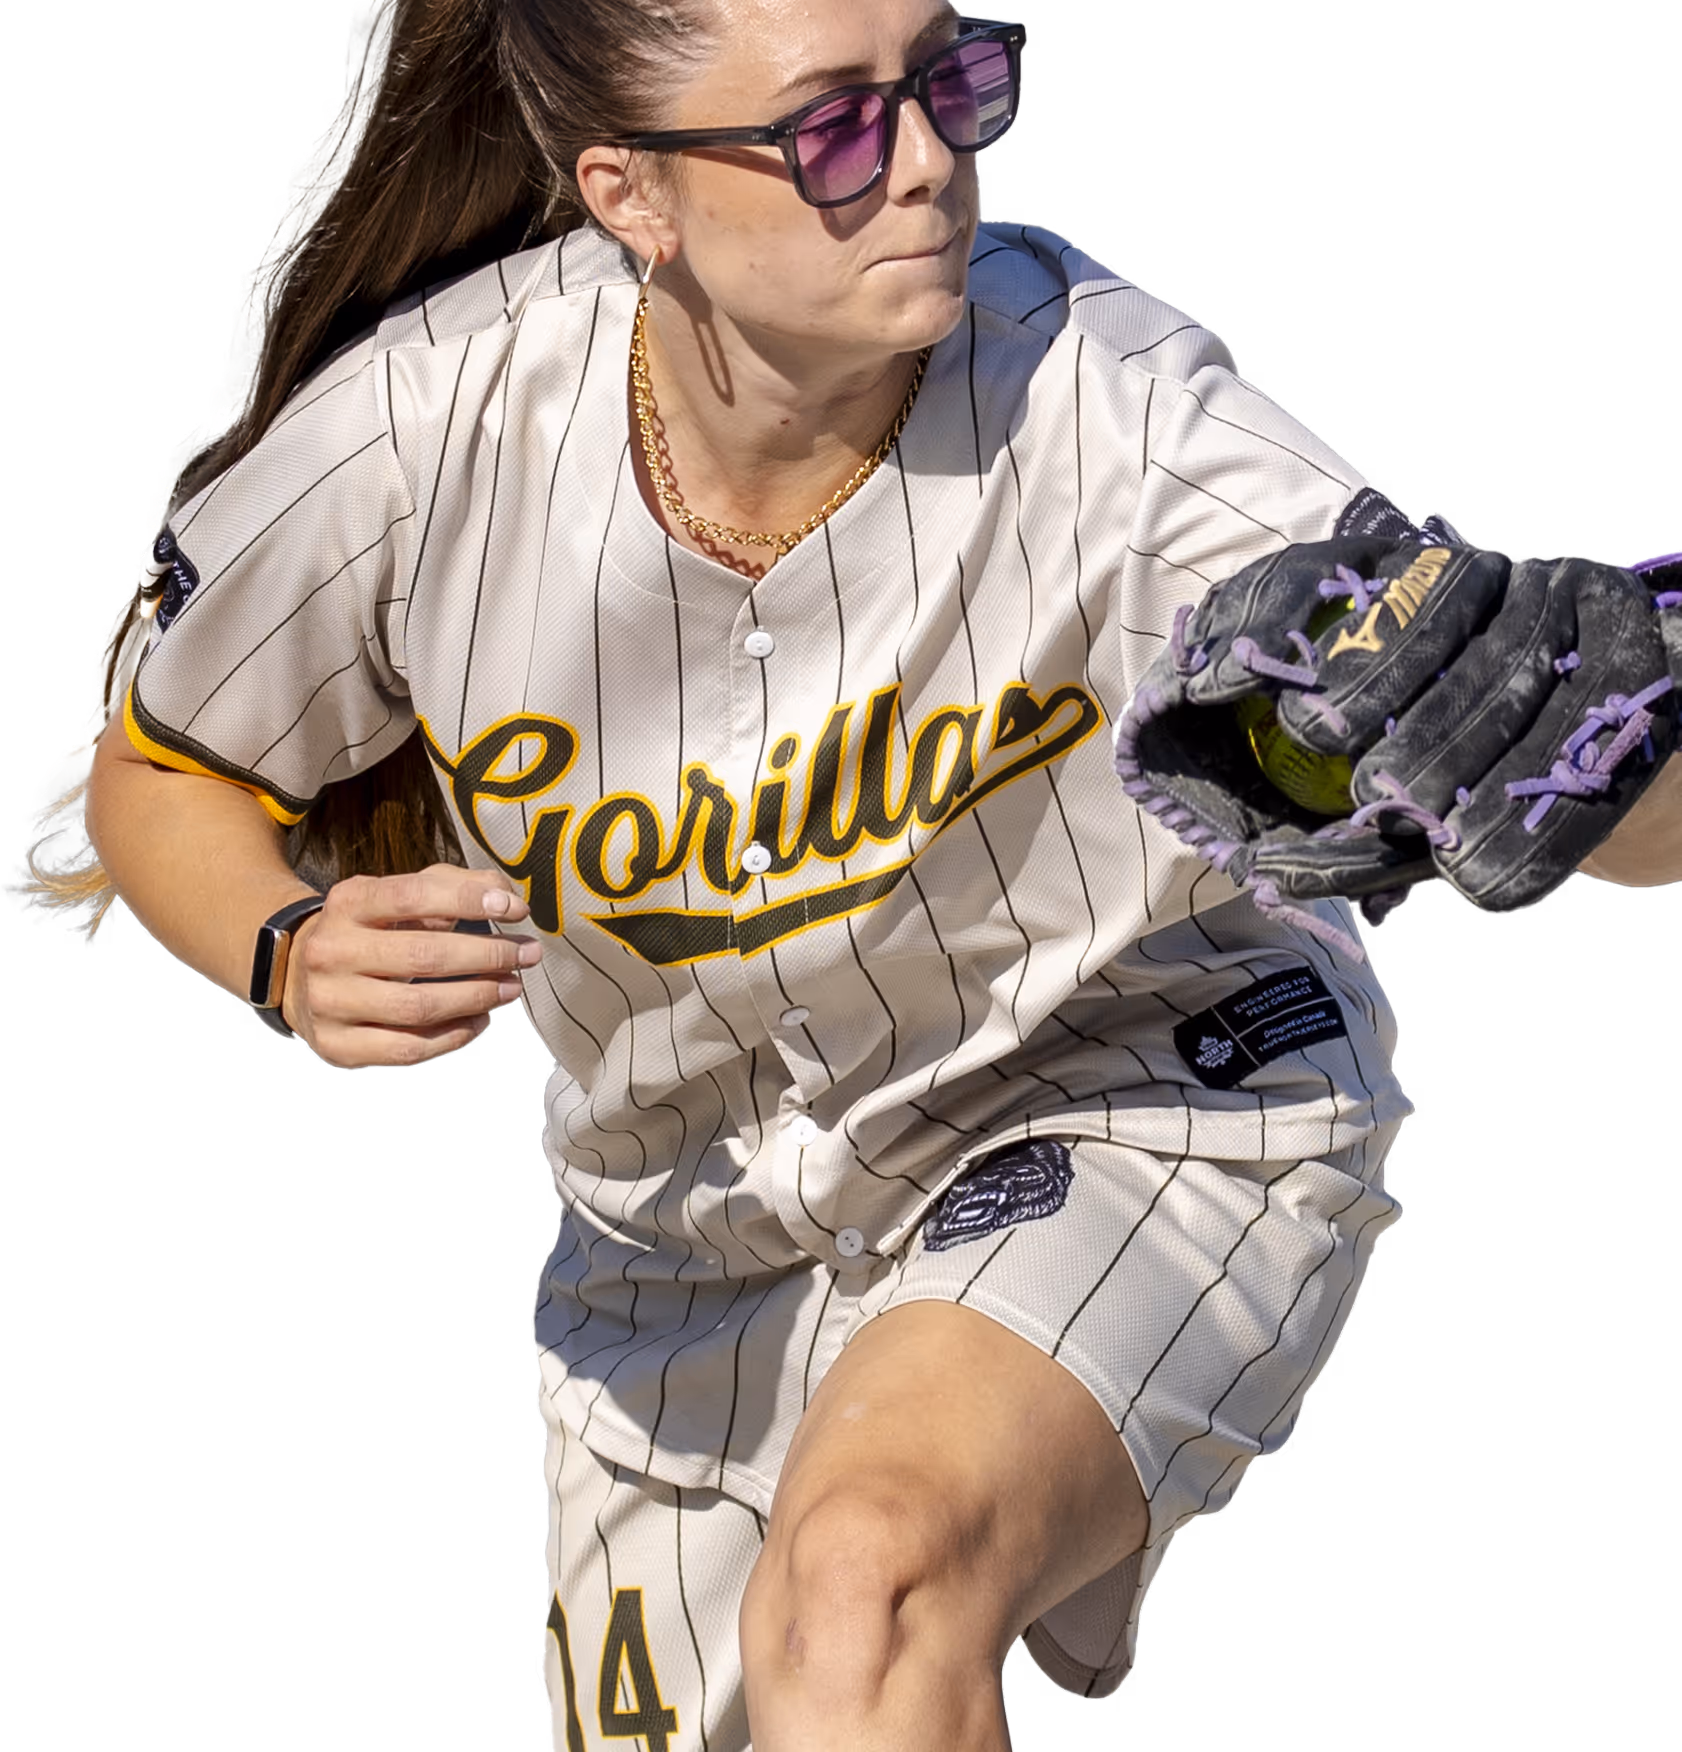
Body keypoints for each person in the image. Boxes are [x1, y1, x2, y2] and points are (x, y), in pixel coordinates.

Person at [12, 3, 1677, 1748]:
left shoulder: (1108, 399)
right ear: (628, 191)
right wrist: (278, 946)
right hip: (672, 1251)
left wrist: (1607, 748)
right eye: (830, 129)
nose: (929, 160)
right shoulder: (435, 429)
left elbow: (1569, 779)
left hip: (1138, 1089)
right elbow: (164, 761)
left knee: (866, 1581)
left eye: (950, 78)